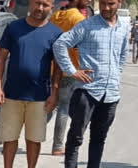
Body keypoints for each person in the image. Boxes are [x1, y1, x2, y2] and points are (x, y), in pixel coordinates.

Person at [53, 0, 129, 168]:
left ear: (119, 3)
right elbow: (60, 44)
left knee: (99, 136)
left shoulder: (123, 27)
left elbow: (121, 55)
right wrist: (71, 71)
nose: (106, 8)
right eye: (102, 3)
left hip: (110, 92)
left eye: (110, 3)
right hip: (87, 91)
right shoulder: (87, 26)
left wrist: (115, 76)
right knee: (76, 135)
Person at [0, 0, 61, 168]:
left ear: (51, 7)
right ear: (30, 4)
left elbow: (58, 68)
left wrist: (54, 92)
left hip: (39, 96)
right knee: (9, 136)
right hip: (12, 93)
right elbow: (1, 59)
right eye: (37, 3)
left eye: (45, 5)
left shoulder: (55, 33)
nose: (40, 8)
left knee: (34, 138)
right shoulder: (14, 27)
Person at [49, 0, 89, 156]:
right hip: (70, 70)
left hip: (53, 68)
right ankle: (58, 146)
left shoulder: (56, 16)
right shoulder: (78, 19)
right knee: (64, 108)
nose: (89, 1)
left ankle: (32, 139)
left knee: (50, 105)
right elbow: (81, 47)